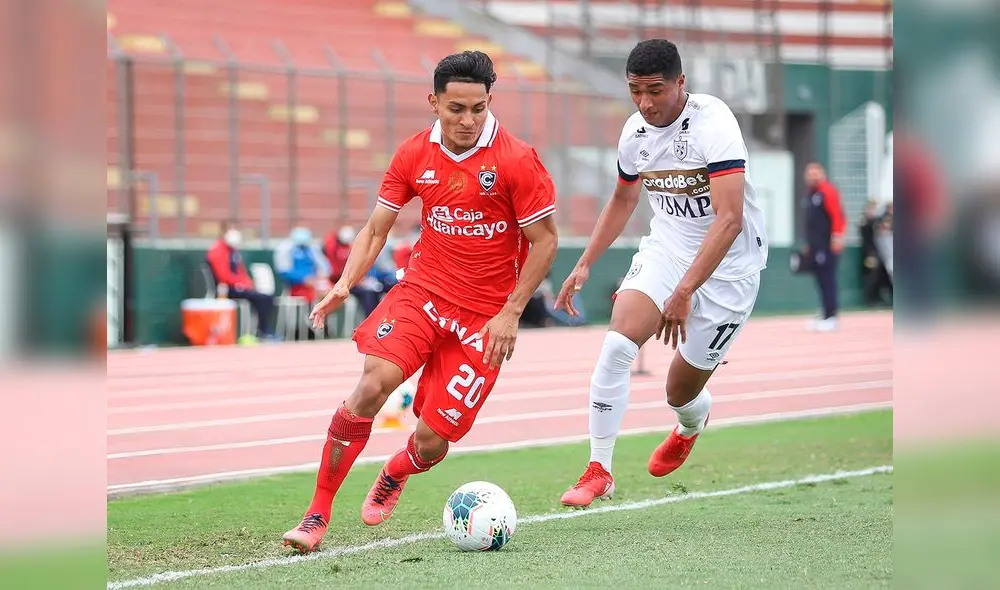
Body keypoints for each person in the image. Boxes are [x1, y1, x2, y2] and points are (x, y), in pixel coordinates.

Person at [281, 50, 559, 553]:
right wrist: (345, 283)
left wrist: (510, 314)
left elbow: (545, 242)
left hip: (485, 319)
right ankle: (316, 515)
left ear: (490, 101)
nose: (468, 120)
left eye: (478, 108)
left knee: (433, 440)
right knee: (372, 385)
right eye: (456, 108)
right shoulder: (413, 154)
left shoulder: (517, 160)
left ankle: (395, 470)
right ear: (434, 102)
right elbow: (375, 229)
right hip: (423, 293)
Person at [553, 39, 768, 508]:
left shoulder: (715, 124)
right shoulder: (634, 133)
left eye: (655, 90)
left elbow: (729, 220)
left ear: (680, 83)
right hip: (667, 251)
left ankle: (692, 423)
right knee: (616, 345)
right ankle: (599, 470)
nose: (646, 103)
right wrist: (584, 262)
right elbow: (624, 199)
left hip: (729, 270)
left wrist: (686, 290)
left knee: (680, 391)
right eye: (635, 92)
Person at [204, 221, 276, 341]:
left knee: (266, 297)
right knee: (261, 298)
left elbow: (240, 272)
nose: (233, 233)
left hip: (239, 287)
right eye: (229, 229)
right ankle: (262, 331)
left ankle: (262, 330)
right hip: (226, 289)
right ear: (223, 232)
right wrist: (241, 284)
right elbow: (223, 276)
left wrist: (247, 283)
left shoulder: (233, 251)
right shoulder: (217, 250)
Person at [802, 162, 846, 331]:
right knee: (820, 280)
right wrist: (809, 244)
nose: (812, 176)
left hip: (827, 245)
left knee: (828, 279)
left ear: (822, 174)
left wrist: (837, 237)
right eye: (810, 173)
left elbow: (838, 216)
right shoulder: (811, 194)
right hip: (816, 246)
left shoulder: (827, 191)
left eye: (816, 173)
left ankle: (832, 315)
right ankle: (825, 312)